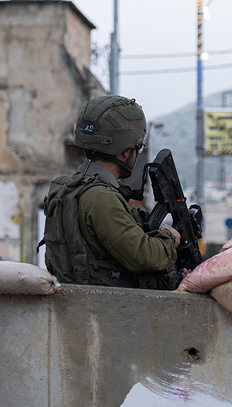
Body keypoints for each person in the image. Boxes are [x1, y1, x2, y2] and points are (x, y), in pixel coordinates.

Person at [42, 95, 180, 289]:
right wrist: (170, 237)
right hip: (108, 311)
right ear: (125, 152)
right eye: (136, 149)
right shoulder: (101, 197)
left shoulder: (69, 187)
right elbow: (143, 256)